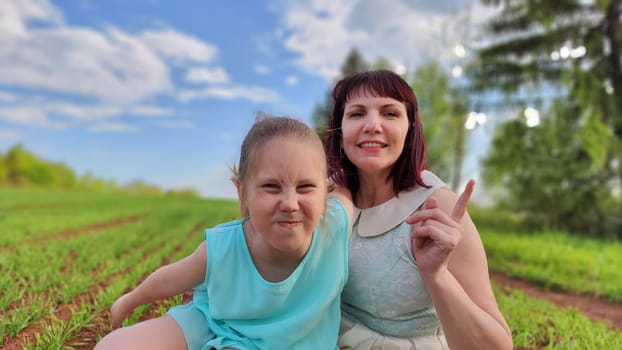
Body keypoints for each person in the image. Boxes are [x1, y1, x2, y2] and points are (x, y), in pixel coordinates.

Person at [94, 115, 353, 350]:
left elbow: (345, 190)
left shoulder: (336, 227)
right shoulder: (225, 245)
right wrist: (129, 301)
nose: (289, 203)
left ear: (323, 192)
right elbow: (170, 279)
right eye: (271, 187)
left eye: (306, 186)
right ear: (243, 192)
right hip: (212, 321)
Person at [324, 70, 513, 349]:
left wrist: (437, 275)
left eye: (390, 113)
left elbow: (496, 346)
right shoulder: (328, 195)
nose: (372, 125)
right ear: (340, 134)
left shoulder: (438, 207)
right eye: (356, 113)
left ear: (410, 130)